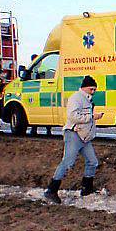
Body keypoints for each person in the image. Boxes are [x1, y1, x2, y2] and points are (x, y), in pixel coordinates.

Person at [44, 75, 104, 204]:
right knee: (68, 162)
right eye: (91, 89)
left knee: (92, 161)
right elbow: (72, 116)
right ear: (84, 88)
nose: (93, 92)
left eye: (95, 90)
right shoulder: (76, 98)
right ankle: (51, 190)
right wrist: (91, 117)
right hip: (73, 135)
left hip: (84, 136)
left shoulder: (87, 99)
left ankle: (87, 189)